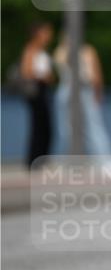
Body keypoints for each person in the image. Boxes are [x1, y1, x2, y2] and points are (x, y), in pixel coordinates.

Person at [53, 37, 111, 168]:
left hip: (77, 90)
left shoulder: (75, 51)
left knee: (81, 128)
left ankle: (102, 161)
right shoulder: (71, 51)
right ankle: (102, 162)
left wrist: (98, 91)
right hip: (75, 90)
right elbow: (95, 74)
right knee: (73, 128)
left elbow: (95, 74)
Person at [20, 21, 54, 168]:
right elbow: (26, 71)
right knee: (38, 127)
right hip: (36, 91)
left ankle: (42, 158)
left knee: (46, 127)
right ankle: (34, 159)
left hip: (44, 90)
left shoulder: (43, 52)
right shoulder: (31, 50)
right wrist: (43, 76)